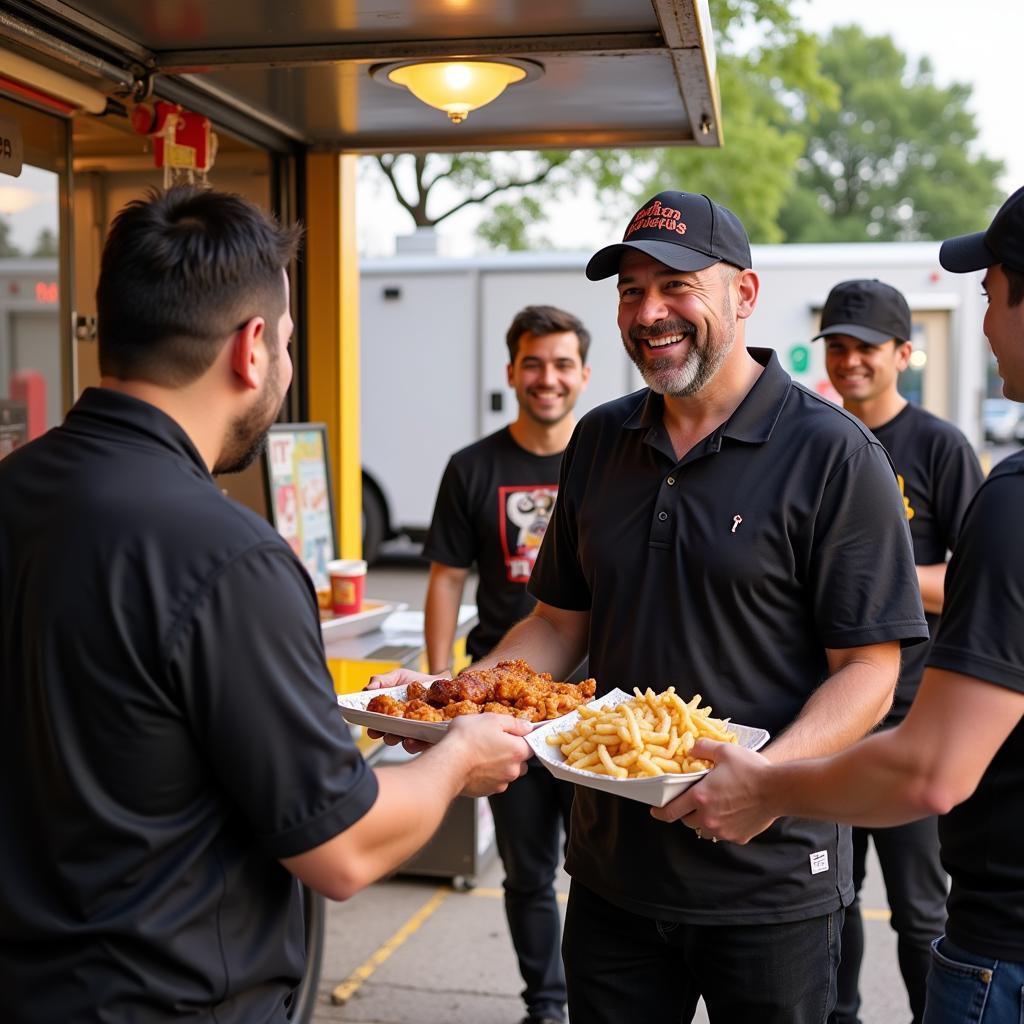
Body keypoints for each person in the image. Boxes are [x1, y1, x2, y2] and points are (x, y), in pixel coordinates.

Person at [373, 190, 929, 1023]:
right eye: (631, 289)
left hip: (769, 878)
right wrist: (451, 704)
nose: (649, 312)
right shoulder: (601, 439)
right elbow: (560, 622)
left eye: (676, 285)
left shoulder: (834, 454)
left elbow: (870, 672)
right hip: (612, 874)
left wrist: (769, 783)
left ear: (742, 295)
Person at [0, 185, 532, 1023]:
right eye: (287, 341)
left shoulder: (17, 487)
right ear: (253, 349)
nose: (284, 363)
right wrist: (458, 756)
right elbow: (343, 849)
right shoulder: (229, 555)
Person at [662, 185, 1024, 1024]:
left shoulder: (993, 486)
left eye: (991, 294)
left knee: (913, 910)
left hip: (1003, 949)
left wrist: (770, 787)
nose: (983, 324)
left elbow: (933, 771)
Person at [813, 279, 983, 1024]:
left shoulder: (940, 446)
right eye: (838, 347)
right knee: (831, 906)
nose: (851, 362)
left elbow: (978, 580)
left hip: (913, 721)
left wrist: (881, 579)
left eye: (867, 348)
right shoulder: (814, 440)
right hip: (826, 721)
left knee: (921, 914)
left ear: (903, 354)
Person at [423, 305, 591, 1024]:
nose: (546, 379)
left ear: (583, 374)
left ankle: (593, 1001)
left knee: (598, 874)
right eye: (533, 363)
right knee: (527, 872)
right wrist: (439, 698)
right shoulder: (473, 467)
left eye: (560, 364)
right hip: (501, 707)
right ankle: (545, 1007)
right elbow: (444, 580)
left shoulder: (605, 460)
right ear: (511, 372)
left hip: (590, 705)